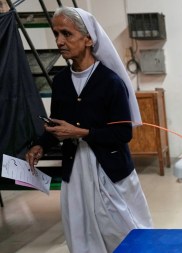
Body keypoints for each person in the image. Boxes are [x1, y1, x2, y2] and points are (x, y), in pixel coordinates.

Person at [25, 7, 152, 252]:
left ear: (88, 39)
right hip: (76, 173)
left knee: (124, 233)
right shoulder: (61, 82)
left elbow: (123, 134)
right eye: (56, 34)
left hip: (110, 172)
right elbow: (57, 123)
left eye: (66, 34)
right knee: (82, 234)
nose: (59, 41)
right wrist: (41, 144)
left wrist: (81, 133)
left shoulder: (110, 82)